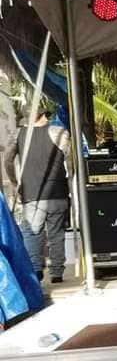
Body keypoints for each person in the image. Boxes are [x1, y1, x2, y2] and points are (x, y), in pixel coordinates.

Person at [2, 111, 70, 284]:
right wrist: (69, 181)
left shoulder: (18, 134)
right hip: (57, 192)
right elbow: (71, 162)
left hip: (31, 192)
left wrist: (15, 182)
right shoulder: (59, 133)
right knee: (56, 234)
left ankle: (36, 270)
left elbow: (7, 160)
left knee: (32, 234)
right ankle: (57, 273)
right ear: (44, 116)